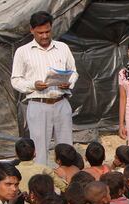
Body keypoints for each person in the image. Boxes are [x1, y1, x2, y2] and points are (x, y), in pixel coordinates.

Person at [11, 11, 79, 165]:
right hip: (38, 104)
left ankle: (66, 183)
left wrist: (69, 83)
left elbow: (74, 72)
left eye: (47, 31)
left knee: (66, 147)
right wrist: (32, 85)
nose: (44, 36)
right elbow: (15, 80)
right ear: (32, 30)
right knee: (39, 149)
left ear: (51, 28)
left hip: (61, 102)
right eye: (40, 32)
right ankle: (42, 185)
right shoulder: (23, 52)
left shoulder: (62, 48)